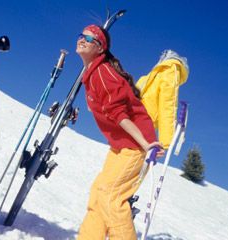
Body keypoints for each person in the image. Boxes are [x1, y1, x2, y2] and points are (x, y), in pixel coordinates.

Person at [75, 24, 164, 240]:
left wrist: (145, 144)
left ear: (100, 49)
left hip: (135, 144)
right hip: (121, 145)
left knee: (111, 196)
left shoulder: (102, 72)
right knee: (98, 193)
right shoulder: (92, 72)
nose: (83, 39)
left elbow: (119, 113)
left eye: (90, 38)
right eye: (82, 35)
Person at [136, 49, 189, 149]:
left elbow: (168, 104)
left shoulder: (171, 70)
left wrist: (166, 142)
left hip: (142, 127)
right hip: (131, 125)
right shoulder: (154, 73)